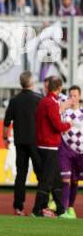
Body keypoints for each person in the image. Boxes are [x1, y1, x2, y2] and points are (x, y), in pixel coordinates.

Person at [32, 76, 72, 218]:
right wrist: (68, 124)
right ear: (59, 88)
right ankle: (37, 210)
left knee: (55, 180)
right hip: (49, 147)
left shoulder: (43, 102)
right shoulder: (52, 103)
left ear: (48, 87)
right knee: (47, 181)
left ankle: (61, 210)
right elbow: (57, 126)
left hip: (42, 145)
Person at [3, 71, 42, 216]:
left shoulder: (14, 100)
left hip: (19, 142)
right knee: (41, 174)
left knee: (21, 175)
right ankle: (41, 205)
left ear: (21, 83)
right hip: (36, 142)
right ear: (32, 83)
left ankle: (18, 206)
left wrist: (5, 139)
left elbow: (6, 122)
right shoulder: (39, 99)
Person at [58, 85, 83, 219]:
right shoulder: (64, 112)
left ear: (79, 96)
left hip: (80, 152)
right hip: (66, 150)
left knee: (75, 181)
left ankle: (71, 208)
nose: (73, 98)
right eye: (70, 96)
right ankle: (63, 209)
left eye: (75, 96)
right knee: (65, 179)